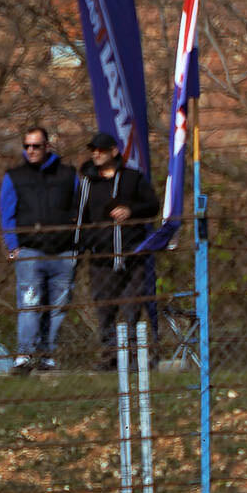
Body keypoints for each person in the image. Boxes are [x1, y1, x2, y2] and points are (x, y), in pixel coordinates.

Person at [76, 130, 161, 371]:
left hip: (131, 254)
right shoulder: (87, 183)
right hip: (101, 257)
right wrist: (87, 243)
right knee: (105, 308)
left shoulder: (133, 178)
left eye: (101, 150)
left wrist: (130, 211)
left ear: (114, 152)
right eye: (93, 150)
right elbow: (79, 218)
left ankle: (132, 356)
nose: (96, 154)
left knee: (132, 307)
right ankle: (110, 356)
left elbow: (152, 205)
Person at [0, 126, 80, 373]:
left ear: (47, 146)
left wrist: (76, 244)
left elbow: (79, 209)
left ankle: (47, 355)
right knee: (29, 304)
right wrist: (13, 246)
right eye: (27, 146)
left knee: (58, 307)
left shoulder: (68, 175)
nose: (31, 151)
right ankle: (25, 354)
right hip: (30, 250)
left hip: (64, 251)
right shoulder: (15, 176)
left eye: (36, 146)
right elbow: (7, 213)